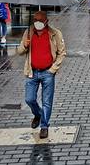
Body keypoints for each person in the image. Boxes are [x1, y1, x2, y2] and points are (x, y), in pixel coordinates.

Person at [17, 11, 66, 139]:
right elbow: (20, 51)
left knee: (47, 102)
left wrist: (53, 69)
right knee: (29, 99)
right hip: (32, 72)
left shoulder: (55, 34)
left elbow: (62, 52)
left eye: (40, 20)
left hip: (48, 72)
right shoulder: (29, 32)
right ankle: (38, 114)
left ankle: (44, 126)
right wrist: (24, 45)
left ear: (46, 21)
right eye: (35, 19)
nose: (37, 22)